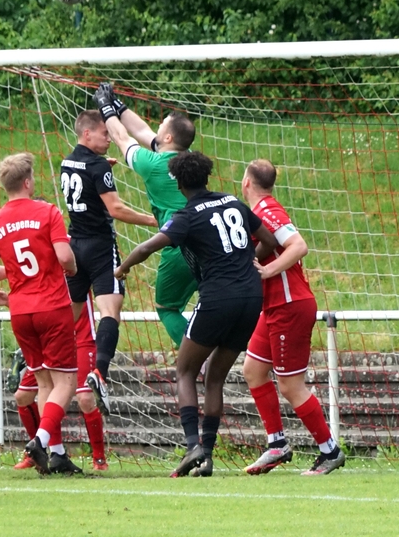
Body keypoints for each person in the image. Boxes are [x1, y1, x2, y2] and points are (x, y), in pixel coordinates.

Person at [114, 151, 277, 477]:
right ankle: (208, 455)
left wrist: (122, 269)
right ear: (206, 177)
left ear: (178, 183)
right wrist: (249, 262)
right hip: (251, 297)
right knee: (215, 376)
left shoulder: (186, 216)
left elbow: (147, 247)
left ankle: (193, 446)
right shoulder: (233, 203)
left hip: (218, 298)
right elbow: (270, 241)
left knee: (185, 370)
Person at [240, 159, 344, 476]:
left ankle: (330, 451)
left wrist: (268, 270)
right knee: (253, 370)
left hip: (290, 306)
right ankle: (277, 445)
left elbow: (298, 245)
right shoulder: (262, 211)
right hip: (274, 307)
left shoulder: (268, 211)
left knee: (290, 385)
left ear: (246, 182)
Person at [0, 152, 81, 475]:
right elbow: (64, 256)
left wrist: (14, 272)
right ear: (27, 182)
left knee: (43, 382)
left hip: (21, 311)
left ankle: (57, 453)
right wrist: (71, 267)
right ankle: (40, 440)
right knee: (66, 382)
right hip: (52, 306)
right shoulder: (47, 212)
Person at [60, 110, 156, 416]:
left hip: (75, 246)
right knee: (110, 312)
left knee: (69, 314)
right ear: (87, 134)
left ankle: (33, 356)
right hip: (101, 248)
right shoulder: (98, 166)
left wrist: (102, 170)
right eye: (105, 134)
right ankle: (100, 374)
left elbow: (85, 181)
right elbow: (116, 209)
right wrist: (154, 220)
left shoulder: (68, 162)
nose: (109, 139)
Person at [95, 83, 199, 348]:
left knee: (167, 307)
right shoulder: (189, 159)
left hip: (178, 246)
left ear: (168, 138)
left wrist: (105, 108)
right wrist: (119, 106)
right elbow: (142, 131)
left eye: (162, 125)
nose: (157, 126)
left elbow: (122, 138)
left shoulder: (152, 164)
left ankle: (199, 358)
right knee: (210, 300)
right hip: (207, 240)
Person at [0, 289, 107, 472]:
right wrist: (11, 301)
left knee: (85, 398)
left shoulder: (74, 272)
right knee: (22, 395)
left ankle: (99, 460)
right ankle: (38, 452)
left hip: (81, 339)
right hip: (51, 340)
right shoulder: (42, 276)